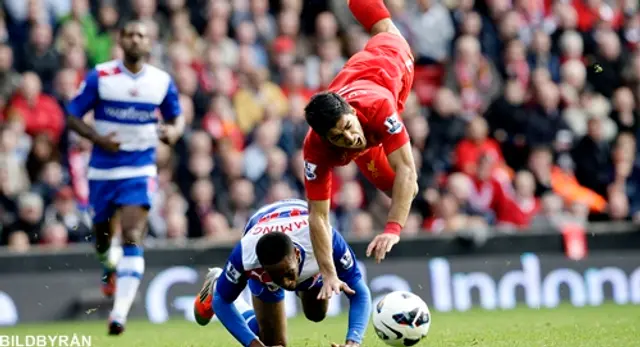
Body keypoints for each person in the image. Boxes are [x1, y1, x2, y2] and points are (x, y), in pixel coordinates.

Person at [65, 20, 184, 335]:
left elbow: (177, 118)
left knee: (132, 233)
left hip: (139, 168)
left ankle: (118, 314)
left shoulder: (160, 81)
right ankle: (109, 266)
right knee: (103, 237)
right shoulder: (101, 77)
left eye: (141, 35)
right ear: (121, 41)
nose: (135, 39)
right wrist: (98, 138)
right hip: (103, 169)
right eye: (130, 34)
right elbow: (72, 114)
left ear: (149, 43)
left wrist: (172, 131)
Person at [302, 0, 418, 301]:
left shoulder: (380, 108)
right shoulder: (315, 149)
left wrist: (393, 229)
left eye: (348, 127)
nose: (349, 138)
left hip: (389, 64)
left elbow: (408, 170)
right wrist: (328, 272)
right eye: (338, 136)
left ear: (352, 111)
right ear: (325, 138)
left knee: (387, 30)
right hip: (353, 75)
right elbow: (317, 216)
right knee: (399, 192)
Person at [193, 199, 371, 347]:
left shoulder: (325, 240)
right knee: (274, 343)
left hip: (302, 228)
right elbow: (222, 302)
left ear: (297, 254)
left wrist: (353, 342)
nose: (286, 284)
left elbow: (360, 292)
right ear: (261, 266)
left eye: (288, 273)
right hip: (261, 224)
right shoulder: (246, 254)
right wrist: (254, 344)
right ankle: (220, 283)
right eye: (276, 277)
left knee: (316, 313)